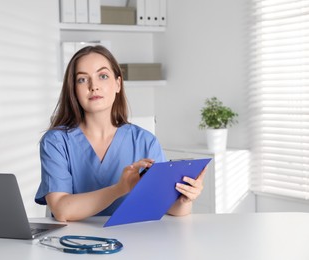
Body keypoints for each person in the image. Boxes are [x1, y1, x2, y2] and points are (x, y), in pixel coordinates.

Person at [35, 45, 205, 222]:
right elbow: (62, 209)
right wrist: (119, 189)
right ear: (73, 90)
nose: (94, 86)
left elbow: (168, 206)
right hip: (74, 243)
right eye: (82, 80)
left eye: (103, 76)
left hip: (134, 242)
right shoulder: (55, 142)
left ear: (118, 83)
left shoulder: (145, 141)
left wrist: (185, 199)